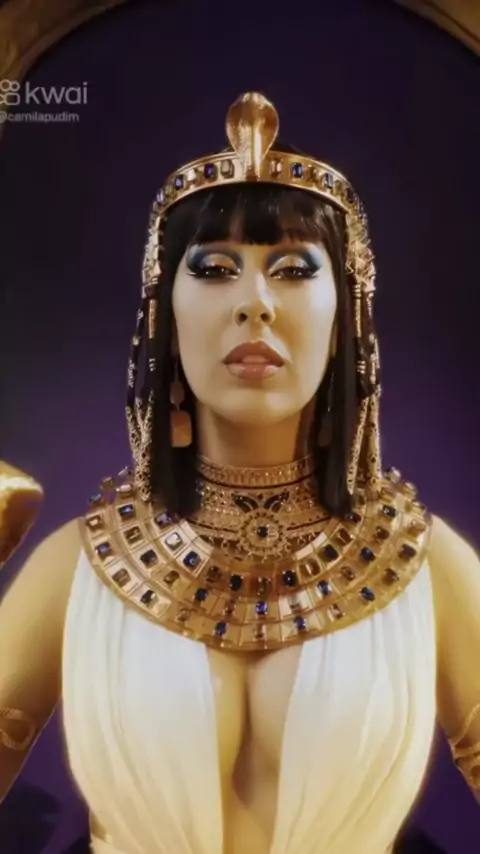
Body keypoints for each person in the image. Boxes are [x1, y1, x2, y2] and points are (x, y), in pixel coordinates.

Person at [0, 92, 479, 854]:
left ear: (344, 316)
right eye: (216, 269)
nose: (255, 304)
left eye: (292, 269)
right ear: (165, 311)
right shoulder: (78, 570)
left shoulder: (429, 568)